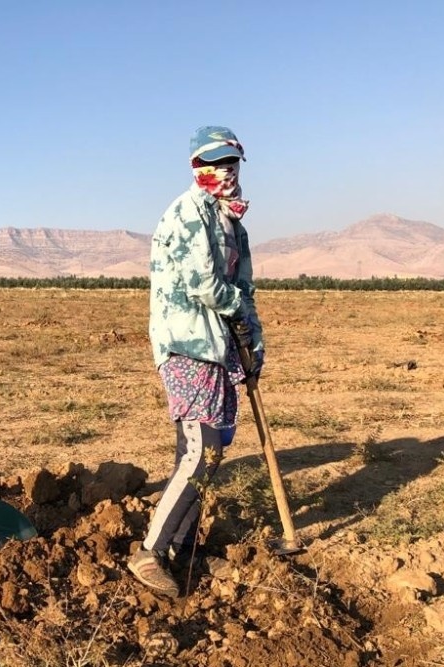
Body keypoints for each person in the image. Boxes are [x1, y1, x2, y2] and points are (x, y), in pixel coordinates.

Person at [128, 126, 264, 598]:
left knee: (206, 451)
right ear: (196, 167)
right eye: (215, 163)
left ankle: (182, 547)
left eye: (231, 162)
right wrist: (240, 313)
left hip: (219, 348)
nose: (225, 171)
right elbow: (204, 284)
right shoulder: (187, 213)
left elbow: (243, 289)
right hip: (187, 346)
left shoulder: (233, 222)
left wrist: (254, 339)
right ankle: (149, 551)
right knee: (201, 449)